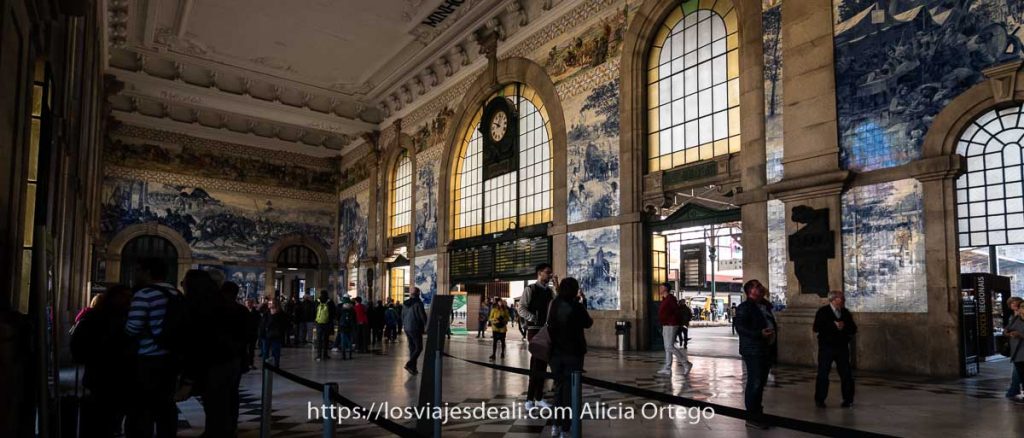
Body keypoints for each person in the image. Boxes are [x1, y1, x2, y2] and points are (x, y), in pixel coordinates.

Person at [124, 258, 184, 438]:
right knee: (166, 405)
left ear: (148, 272)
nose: (136, 274)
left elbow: (132, 328)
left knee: (143, 406)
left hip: (147, 358)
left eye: (138, 270)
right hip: (170, 358)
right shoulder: (176, 293)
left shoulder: (144, 294)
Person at [182, 270, 240, 438]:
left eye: (184, 283)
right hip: (227, 360)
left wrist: (188, 379)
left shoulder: (199, 307)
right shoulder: (223, 304)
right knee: (220, 404)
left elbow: (198, 342)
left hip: (213, 363)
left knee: (215, 404)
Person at [71, 284, 133, 437]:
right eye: (124, 297)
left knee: (104, 417)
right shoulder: (122, 319)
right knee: (105, 417)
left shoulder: (94, 316)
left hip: (103, 376)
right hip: (107, 375)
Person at [547, 277, 593, 438]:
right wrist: (582, 303)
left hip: (555, 354)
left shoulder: (554, 304)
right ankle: (565, 428)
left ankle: (555, 425)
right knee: (570, 391)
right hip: (573, 353)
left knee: (559, 389)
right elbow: (588, 323)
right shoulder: (576, 306)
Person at [734, 279, 777, 430]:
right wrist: (759, 333)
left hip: (765, 348)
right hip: (753, 350)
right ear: (749, 291)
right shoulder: (745, 307)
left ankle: (758, 413)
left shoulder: (765, 305)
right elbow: (740, 328)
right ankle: (752, 417)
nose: (761, 288)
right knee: (755, 382)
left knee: (760, 382)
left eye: (760, 286)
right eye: (757, 287)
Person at [517, 263, 557, 410]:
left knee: (542, 364)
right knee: (536, 363)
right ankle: (530, 399)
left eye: (550, 273)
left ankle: (538, 397)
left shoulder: (549, 291)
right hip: (535, 330)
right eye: (548, 272)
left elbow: (556, 304)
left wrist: (556, 286)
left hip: (546, 330)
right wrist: (533, 318)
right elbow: (521, 308)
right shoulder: (530, 289)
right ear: (539, 273)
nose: (550, 275)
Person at [813, 290, 858, 408]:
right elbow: (816, 327)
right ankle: (820, 399)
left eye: (842, 298)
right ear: (833, 300)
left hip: (842, 347)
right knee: (823, 373)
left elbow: (853, 328)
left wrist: (844, 326)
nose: (843, 300)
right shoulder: (823, 311)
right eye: (840, 298)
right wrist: (834, 326)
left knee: (846, 374)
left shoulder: (845, 312)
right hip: (827, 347)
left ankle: (848, 399)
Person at [656, 283, 692, 375]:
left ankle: (686, 364)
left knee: (669, 346)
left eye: (661, 287)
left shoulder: (671, 299)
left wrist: (672, 320)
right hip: (665, 324)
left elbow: (676, 311)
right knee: (667, 348)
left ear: (666, 289)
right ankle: (668, 368)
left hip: (671, 324)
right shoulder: (664, 299)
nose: (659, 289)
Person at [403, 287, 428, 374]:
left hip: (407, 328)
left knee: (412, 348)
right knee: (419, 348)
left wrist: (404, 325)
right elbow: (422, 316)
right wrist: (426, 326)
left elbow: (402, 315)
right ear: (418, 294)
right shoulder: (418, 303)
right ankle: (409, 364)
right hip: (415, 328)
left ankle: (413, 368)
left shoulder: (405, 303)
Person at [259, 299, 289, 367]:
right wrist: (261, 334)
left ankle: (276, 365)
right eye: (268, 303)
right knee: (265, 352)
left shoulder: (281, 314)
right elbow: (262, 324)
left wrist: (280, 332)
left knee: (276, 352)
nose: (269, 304)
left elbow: (284, 324)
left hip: (276, 336)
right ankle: (265, 366)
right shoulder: (266, 313)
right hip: (266, 336)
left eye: (271, 303)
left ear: (275, 304)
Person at [1006, 297, 1024, 403]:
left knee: (1019, 371)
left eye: (1016, 303)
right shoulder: (1014, 318)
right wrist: (1008, 333)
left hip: (1021, 349)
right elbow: (1007, 329)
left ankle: (1013, 389)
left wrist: (1019, 334)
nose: (1014, 305)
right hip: (1016, 350)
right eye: (1012, 303)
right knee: (1019, 371)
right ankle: (1014, 389)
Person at [314, 291, 337, 361]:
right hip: (327, 323)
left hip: (319, 323)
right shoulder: (330, 302)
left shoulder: (317, 301)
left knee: (319, 339)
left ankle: (318, 355)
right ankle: (325, 354)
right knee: (326, 339)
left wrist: (315, 320)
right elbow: (334, 312)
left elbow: (314, 311)